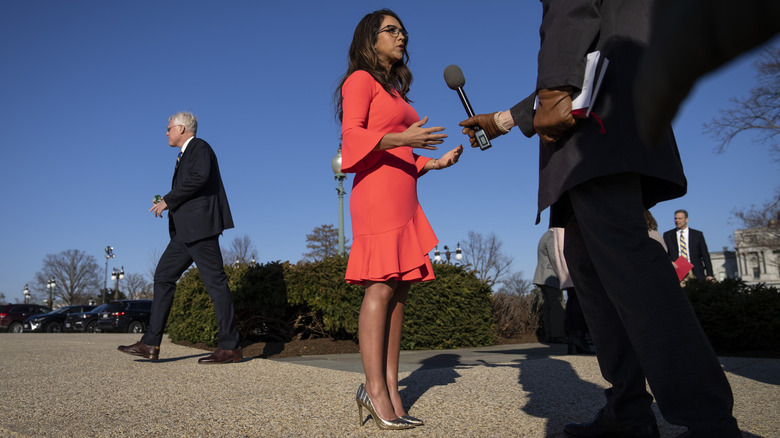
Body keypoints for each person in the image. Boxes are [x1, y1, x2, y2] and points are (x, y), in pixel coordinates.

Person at [458, 1, 740, 437]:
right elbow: (599, 49)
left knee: (630, 266)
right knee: (589, 265)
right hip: (617, 110)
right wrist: (503, 120)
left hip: (596, 131)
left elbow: (570, 16)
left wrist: (553, 91)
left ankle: (709, 421)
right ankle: (628, 411)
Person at [335, 9, 463, 430]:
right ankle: (372, 389)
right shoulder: (360, 80)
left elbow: (401, 153)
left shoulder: (394, 89)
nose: (401, 36)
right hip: (375, 195)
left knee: (400, 293)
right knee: (380, 288)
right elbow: (353, 140)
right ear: (370, 39)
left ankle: (391, 387)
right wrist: (405, 137)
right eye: (391, 30)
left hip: (404, 195)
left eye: (403, 30)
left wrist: (432, 163)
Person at [118, 112, 242, 364]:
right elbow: (190, 185)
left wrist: (168, 200)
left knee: (215, 284)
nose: (166, 132)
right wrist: (169, 202)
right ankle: (150, 344)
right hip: (186, 233)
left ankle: (231, 347)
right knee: (163, 276)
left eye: (168, 128)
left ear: (181, 128)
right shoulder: (185, 154)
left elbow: (199, 178)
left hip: (201, 229)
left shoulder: (199, 147)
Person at [550, 227, 593, 356]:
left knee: (573, 297)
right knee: (579, 297)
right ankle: (578, 337)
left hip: (566, 254)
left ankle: (575, 339)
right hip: (573, 252)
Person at [532, 229, 566, 344]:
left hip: (541, 276)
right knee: (557, 306)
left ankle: (549, 335)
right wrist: (563, 275)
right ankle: (557, 335)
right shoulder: (551, 237)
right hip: (551, 277)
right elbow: (555, 258)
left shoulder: (544, 236)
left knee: (547, 307)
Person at [663, 209, 714, 281]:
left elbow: (705, 255)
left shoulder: (697, 235)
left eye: (680, 218)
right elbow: (664, 254)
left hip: (695, 271)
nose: (677, 221)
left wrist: (710, 274)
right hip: (677, 271)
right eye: (675, 218)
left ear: (686, 219)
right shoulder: (668, 235)